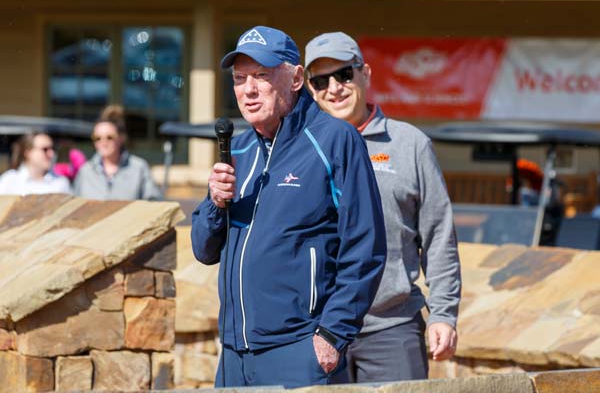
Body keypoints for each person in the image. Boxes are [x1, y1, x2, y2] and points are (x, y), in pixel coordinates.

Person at [191, 26, 386, 388]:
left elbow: (366, 248)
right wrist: (216, 203)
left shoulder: (335, 140)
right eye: (239, 78)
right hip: (234, 356)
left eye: (262, 76)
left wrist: (332, 334)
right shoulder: (240, 152)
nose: (248, 89)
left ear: (296, 78)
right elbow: (203, 249)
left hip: (299, 350)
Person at [305, 32, 462, 383]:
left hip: (392, 328)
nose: (334, 88)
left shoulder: (411, 145)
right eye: (320, 81)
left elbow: (438, 236)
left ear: (366, 74)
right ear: (310, 89)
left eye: (344, 74)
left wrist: (443, 314)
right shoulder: (299, 150)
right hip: (318, 330)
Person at [74, 104, 162, 200]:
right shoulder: (85, 171)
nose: (103, 143)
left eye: (109, 137)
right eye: (98, 138)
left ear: (121, 138)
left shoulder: (139, 168)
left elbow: (154, 204)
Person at [0, 132, 71, 195]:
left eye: (53, 149)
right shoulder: (9, 181)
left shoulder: (61, 183)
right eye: (45, 149)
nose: (51, 154)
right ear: (28, 152)